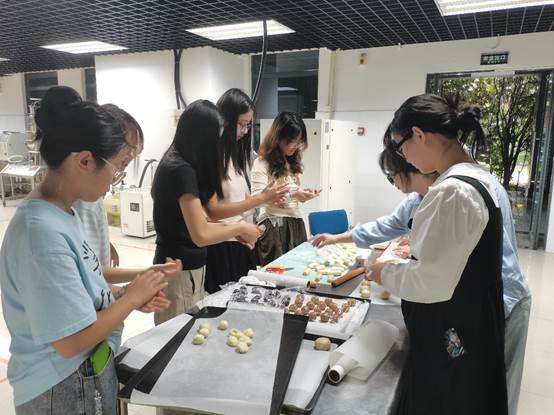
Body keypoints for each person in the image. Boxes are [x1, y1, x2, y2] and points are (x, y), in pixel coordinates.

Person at [0, 86, 179, 414]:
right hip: (61, 387)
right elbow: (70, 341)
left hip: (82, 376)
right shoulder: (41, 233)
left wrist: (126, 294)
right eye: (117, 168)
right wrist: (130, 299)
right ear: (84, 160)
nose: (114, 181)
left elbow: (82, 289)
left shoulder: (62, 214)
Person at [370, 94, 513, 414]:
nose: (405, 157)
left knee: (451, 398)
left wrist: (382, 272)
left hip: (455, 335)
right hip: (475, 323)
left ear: (419, 135)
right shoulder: (478, 177)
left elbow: (429, 283)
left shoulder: (453, 191)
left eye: (401, 147)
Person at [151, 100, 264, 325]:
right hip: (179, 269)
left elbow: (200, 222)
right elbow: (200, 234)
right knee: (178, 335)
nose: (217, 147)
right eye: (216, 140)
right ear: (201, 138)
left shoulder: (180, 162)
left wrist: (236, 232)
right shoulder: (180, 170)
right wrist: (240, 227)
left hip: (187, 267)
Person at [204, 89, 288, 293]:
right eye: (241, 124)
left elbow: (239, 201)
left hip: (241, 242)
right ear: (226, 119)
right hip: (220, 245)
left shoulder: (238, 157)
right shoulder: (212, 157)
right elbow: (212, 211)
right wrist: (260, 199)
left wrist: (253, 220)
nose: (245, 131)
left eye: (248, 125)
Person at [312, 138, 438, 249]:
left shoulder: (442, 197)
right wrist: (335, 238)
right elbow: (384, 227)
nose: (393, 182)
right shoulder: (413, 202)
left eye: (391, 175)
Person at [73, 103, 144, 268]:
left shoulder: (90, 197)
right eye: (127, 150)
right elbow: (89, 274)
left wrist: (106, 243)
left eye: (135, 151)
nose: (130, 157)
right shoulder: (84, 202)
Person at [251, 112, 320, 265]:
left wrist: (302, 195)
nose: (295, 146)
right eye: (291, 141)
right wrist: (294, 195)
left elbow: (291, 196)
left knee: (298, 270)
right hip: (274, 224)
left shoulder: (292, 162)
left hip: (295, 222)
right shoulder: (262, 163)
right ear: (278, 138)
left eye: (299, 142)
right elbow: (256, 199)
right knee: (276, 273)